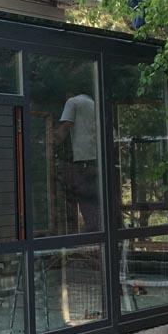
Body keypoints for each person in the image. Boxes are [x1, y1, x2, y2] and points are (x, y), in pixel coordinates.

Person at [57, 89, 100, 231]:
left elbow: (64, 129)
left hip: (82, 161)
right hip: (95, 159)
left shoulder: (73, 102)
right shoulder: (94, 103)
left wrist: (49, 141)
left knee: (83, 199)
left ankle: (92, 233)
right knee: (94, 200)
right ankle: (99, 233)